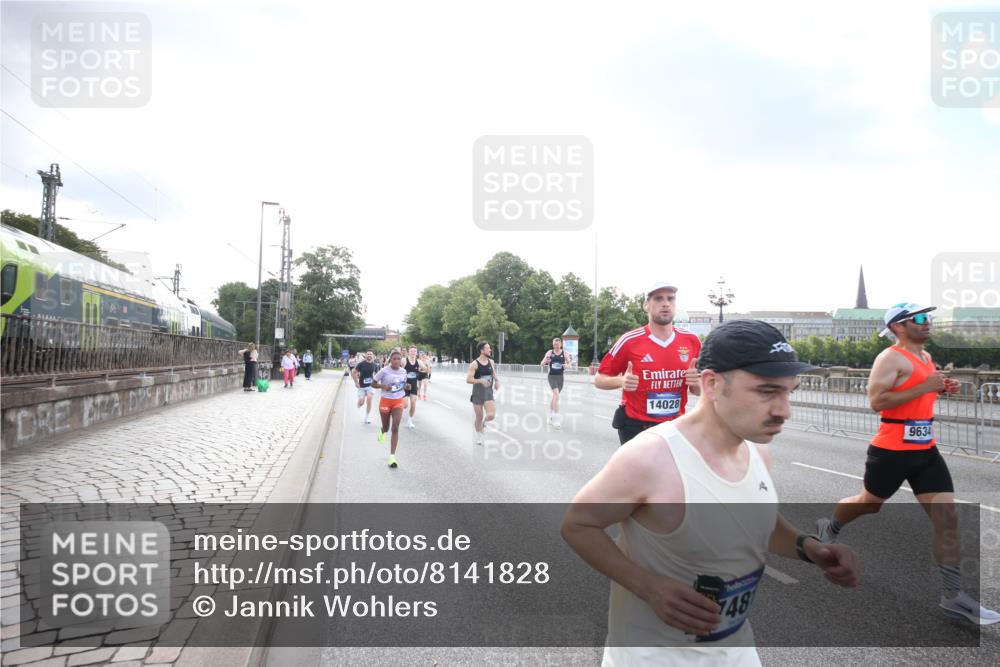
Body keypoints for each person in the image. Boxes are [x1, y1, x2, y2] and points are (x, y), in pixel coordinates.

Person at [562, 320, 861, 665]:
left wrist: (809, 547)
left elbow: (754, 519)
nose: (784, 410)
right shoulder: (651, 458)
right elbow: (578, 525)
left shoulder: (758, 452)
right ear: (713, 384)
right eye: (767, 392)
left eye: (788, 391)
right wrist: (648, 587)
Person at [815, 303, 999, 625]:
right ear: (899, 326)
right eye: (920, 318)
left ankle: (953, 596)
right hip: (891, 451)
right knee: (868, 504)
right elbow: (876, 401)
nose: (927, 323)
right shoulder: (889, 358)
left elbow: (917, 396)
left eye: (928, 318)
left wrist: (940, 388)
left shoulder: (926, 358)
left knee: (948, 518)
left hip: (926, 449)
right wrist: (926, 386)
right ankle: (829, 527)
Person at [595, 281, 702, 445]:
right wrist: (621, 381)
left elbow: (699, 390)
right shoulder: (630, 341)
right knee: (638, 472)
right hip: (637, 427)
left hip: (675, 426)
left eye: (670, 299)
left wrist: (696, 383)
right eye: (658, 299)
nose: (666, 303)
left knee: (671, 471)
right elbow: (599, 379)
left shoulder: (691, 341)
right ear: (646, 305)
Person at [372, 349, 410, 468]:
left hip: (398, 400)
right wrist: (383, 386)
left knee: (395, 428)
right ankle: (382, 431)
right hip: (385, 400)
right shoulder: (384, 371)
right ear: (390, 360)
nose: (397, 361)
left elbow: (403, 384)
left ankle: (392, 457)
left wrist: (406, 386)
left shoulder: (404, 371)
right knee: (386, 427)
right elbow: (373, 383)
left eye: (399, 359)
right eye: (394, 359)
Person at [466, 341, 500, 445]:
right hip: (478, 392)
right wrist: (480, 380)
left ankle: (484, 424)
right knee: (479, 416)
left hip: (488, 392)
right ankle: (478, 435)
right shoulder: (474, 364)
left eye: (490, 348)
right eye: (488, 348)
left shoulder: (491, 362)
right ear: (482, 350)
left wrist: (497, 381)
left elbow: (493, 372)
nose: (490, 350)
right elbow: (468, 380)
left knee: (491, 415)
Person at [540, 336, 572, 428]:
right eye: (554, 345)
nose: (556, 346)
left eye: (557, 345)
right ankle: (556, 419)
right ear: (553, 345)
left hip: (560, 377)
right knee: (557, 395)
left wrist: (567, 365)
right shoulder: (550, 352)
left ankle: (550, 415)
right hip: (551, 377)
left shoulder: (565, 353)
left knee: (555, 397)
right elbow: (541, 363)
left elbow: (570, 364)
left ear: (561, 345)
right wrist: (545, 361)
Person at [352, 350, 379, 424]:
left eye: (371, 354)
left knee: (369, 399)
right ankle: (359, 403)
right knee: (361, 403)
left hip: (370, 386)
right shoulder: (361, 364)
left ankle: (366, 418)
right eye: (368, 354)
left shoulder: (375, 365)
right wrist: (356, 382)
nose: (369, 355)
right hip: (362, 386)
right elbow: (353, 372)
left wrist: (378, 382)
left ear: (373, 356)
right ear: (366, 356)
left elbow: (378, 375)